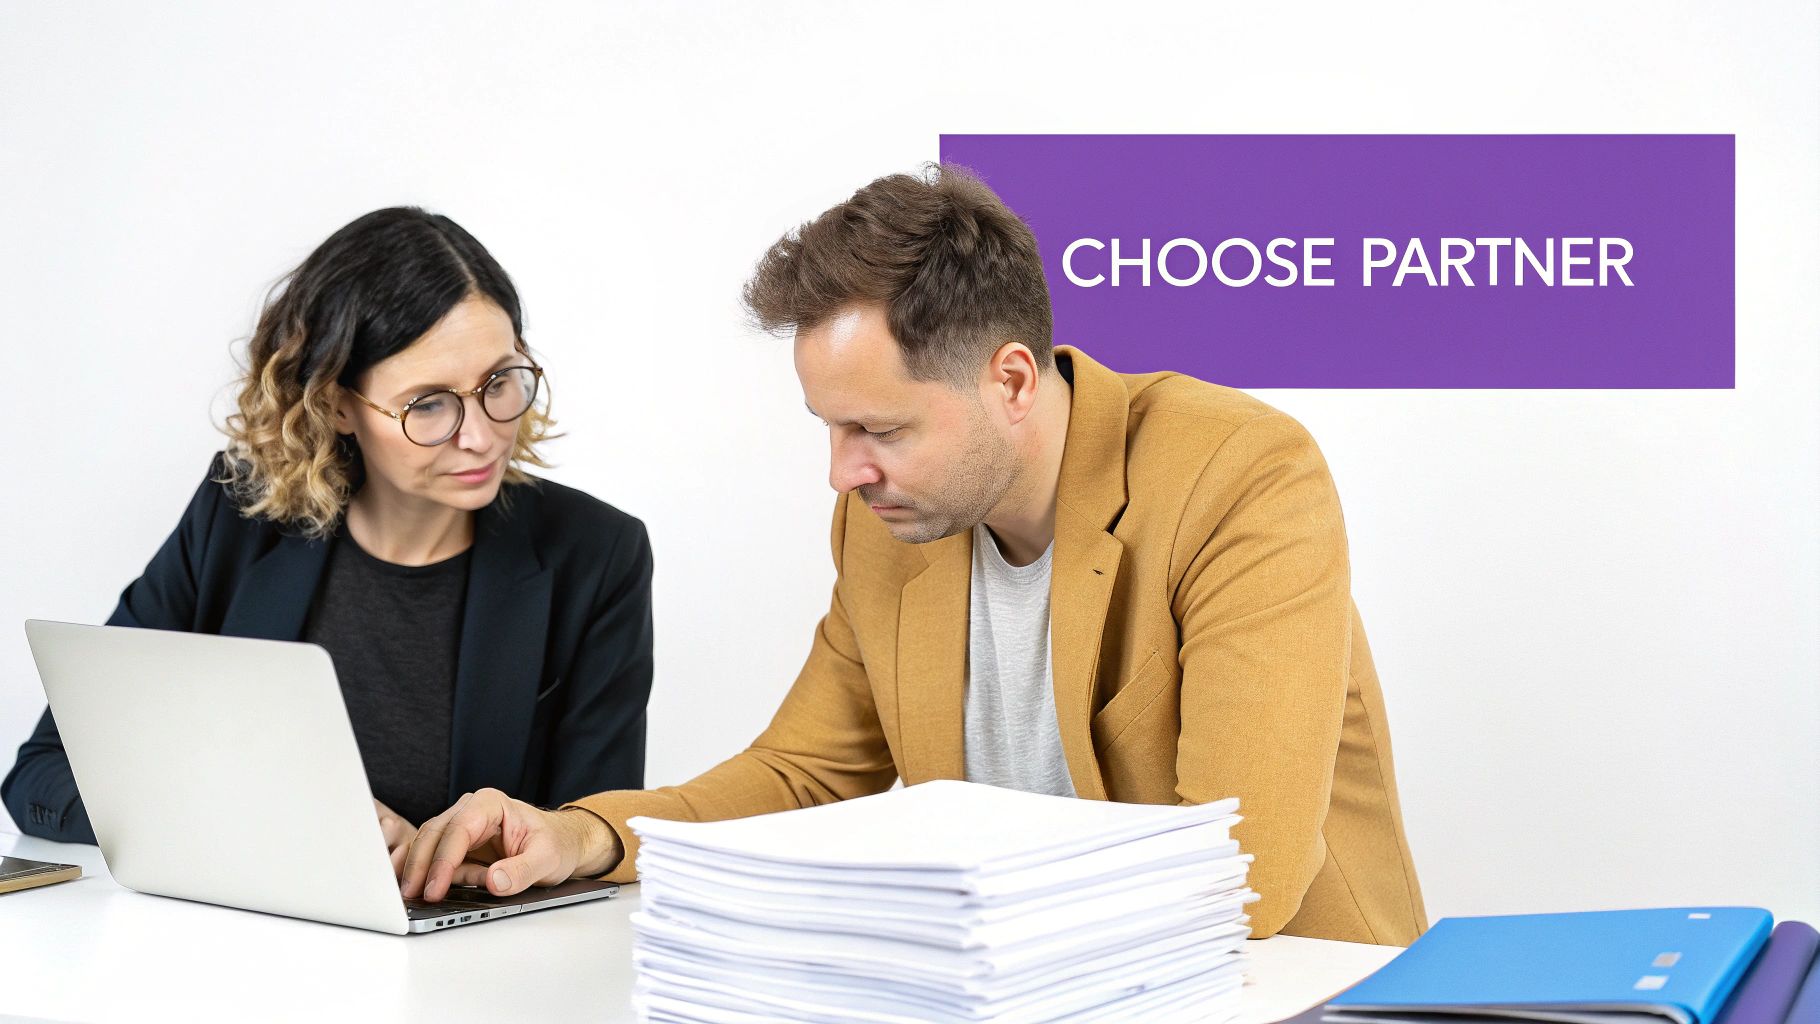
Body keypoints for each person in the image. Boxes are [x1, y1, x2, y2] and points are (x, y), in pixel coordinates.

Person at [400, 166, 1428, 943]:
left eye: (879, 431)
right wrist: (585, 835)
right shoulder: (890, 523)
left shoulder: (1241, 476)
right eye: (829, 428)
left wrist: (914, 923)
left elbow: (1237, 873)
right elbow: (802, 771)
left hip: (1275, 993)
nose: (843, 473)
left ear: (1012, 381)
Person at [3, 208, 655, 876]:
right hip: (242, 945)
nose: (481, 435)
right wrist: (258, 823)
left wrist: (491, 852)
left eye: (498, 382)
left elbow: (597, 834)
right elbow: (45, 773)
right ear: (336, 404)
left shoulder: (597, 556)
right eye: (428, 403)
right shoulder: (238, 515)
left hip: (473, 961)